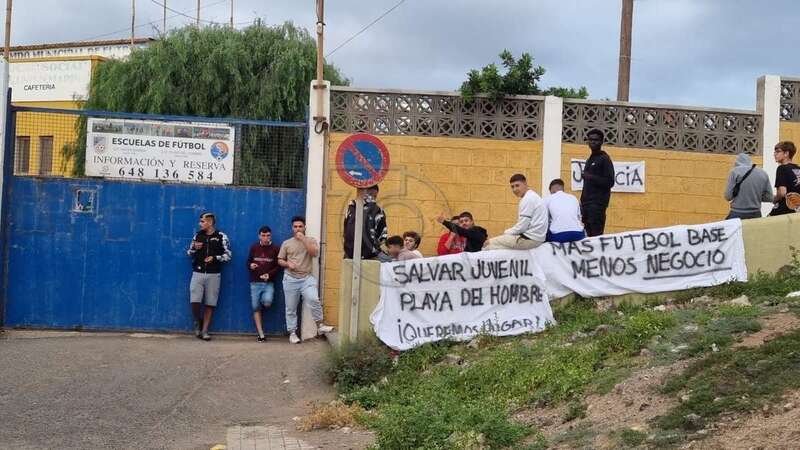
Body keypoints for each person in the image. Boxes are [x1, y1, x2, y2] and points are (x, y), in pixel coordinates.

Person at [278, 216, 334, 344]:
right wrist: (287, 264)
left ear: (304, 228)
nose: (298, 229)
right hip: (290, 279)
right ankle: (292, 333)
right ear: (292, 228)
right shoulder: (286, 243)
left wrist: (303, 239)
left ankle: (320, 326)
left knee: (314, 299)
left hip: (306, 278)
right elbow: (280, 260)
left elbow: (314, 253)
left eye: (300, 226)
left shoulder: (311, 240)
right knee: (290, 308)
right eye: (295, 227)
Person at [187, 212, 231, 341]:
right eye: (200, 221)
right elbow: (189, 253)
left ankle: (205, 330)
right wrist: (194, 248)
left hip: (214, 274)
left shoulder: (221, 236)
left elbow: (228, 255)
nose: (200, 224)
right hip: (198, 273)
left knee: (210, 303)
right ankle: (197, 321)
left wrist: (215, 258)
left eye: (202, 221)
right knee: (195, 301)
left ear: (210, 222)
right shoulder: (197, 236)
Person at [484, 174, 548, 250]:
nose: (514, 189)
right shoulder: (532, 196)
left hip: (530, 240)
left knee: (488, 244)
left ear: (525, 184)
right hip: (535, 238)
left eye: (517, 185)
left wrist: (506, 233)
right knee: (495, 247)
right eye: (512, 187)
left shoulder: (528, 199)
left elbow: (521, 227)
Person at [247, 226, 280, 342]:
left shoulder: (275, 248)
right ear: (259, 236)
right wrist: (251, 265)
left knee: (267, 303)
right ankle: (261, 334)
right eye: (263, 235)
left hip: (268, 283)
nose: (265, 238)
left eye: (268, 235)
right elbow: (248, 262)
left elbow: (278, 266)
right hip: (255, 282)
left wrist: (269, 275)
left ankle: (261, 301)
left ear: (271, 236)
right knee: (256, 308)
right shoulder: (254, 247)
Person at [580, 129, 615, 236]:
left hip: (597, 206)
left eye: (596, 140)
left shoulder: (604, 159)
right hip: (586, 205)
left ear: (601, 142)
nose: (593, 142)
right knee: (587, 236)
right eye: (590, 140)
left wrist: (590, 177)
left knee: (596, 236)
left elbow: (610, 182)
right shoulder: (590, 159)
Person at [343, 185, 388, 260]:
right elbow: (382, 236)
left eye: (374, 196)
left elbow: (382, 236)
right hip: (353, 254)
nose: (372, 199)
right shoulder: (351, 208)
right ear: (361, 193)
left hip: (365, 255)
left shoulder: (378, 211)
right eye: (370, 195)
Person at [723, 153, 773, 220]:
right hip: (756, 214)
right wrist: (755, 196)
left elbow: (728, 196)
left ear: (737, 162)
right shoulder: (763, 173)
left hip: (737, 213)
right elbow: (769, 197)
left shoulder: (735, 172)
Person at [769, 141, 800, 216]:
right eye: (774, 152)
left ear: (786, 154)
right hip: (796, 210)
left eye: (778, 152)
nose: (774, 154)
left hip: (784, 209)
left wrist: (775, 199)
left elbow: (782, 192)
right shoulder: (798, 168)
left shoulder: (782, 168)